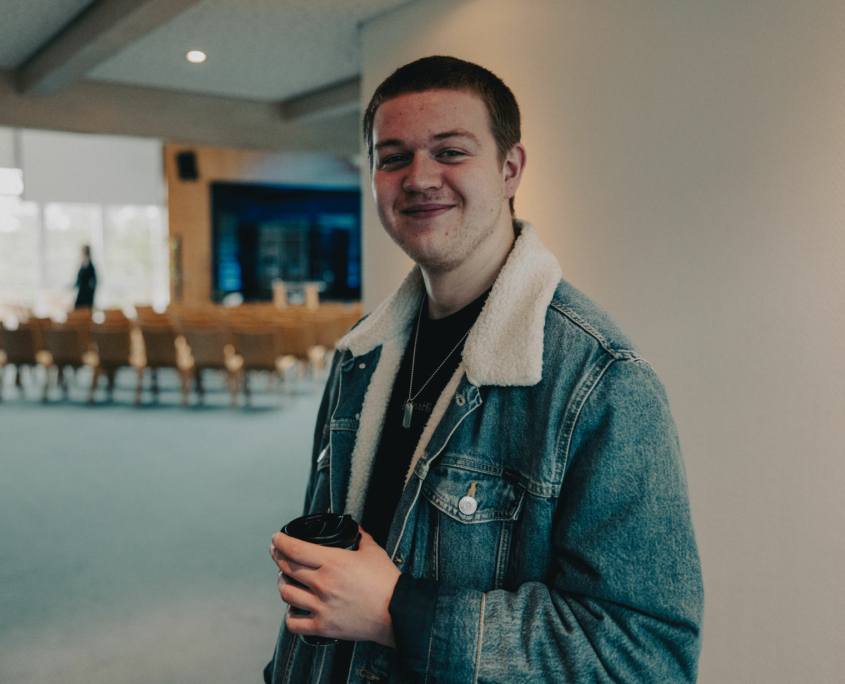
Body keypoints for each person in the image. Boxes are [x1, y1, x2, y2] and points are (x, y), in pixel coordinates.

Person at [266, 55, 703, 684]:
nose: (419, 178)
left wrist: (399, 612)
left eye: (450, 151)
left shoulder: (602, 382)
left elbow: (646, 657)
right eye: (392, 157)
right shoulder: (360, 358)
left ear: (509, 170)